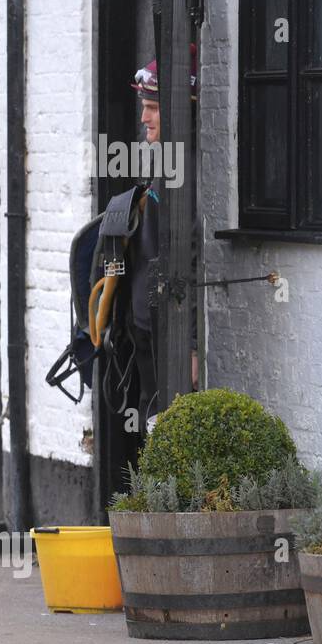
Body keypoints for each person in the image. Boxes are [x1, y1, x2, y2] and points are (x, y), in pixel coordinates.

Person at [125, 54, 198, 431]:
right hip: (146, 325)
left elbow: (190, 255)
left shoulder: (191, 171)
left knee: (168, 431)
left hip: (169, 329)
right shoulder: (162, 163)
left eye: (152, 108)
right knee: (153, 426)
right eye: (144, 107)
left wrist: (191, 344)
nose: (144, 118)